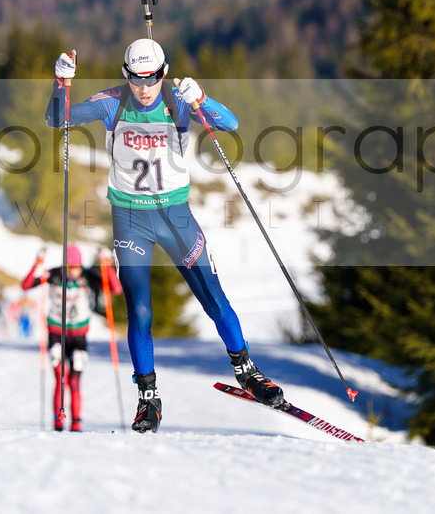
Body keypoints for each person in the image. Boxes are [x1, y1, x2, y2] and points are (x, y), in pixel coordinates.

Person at [45, 39, 285, 433]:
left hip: (175, 216)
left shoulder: (177, 100)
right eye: (137, 78)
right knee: (139, 310)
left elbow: (230, 124)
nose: (145, 86)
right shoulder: (112, 103)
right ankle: (148, 400)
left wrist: (202, 99)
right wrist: (61, 82)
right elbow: (58, 119)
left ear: (164, 72)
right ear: (126, 75)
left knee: (213, 297)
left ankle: (247, 371)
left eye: (153, 77)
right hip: (130, 218)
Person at [21, 244, 122, 432]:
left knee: (75, 381)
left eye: (76, 267)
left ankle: (76, 423)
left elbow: (115, 289)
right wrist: (37, 263)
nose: (73, 271)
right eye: (70, 267)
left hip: (78, 336)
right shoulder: (54, 274)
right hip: (56, 333)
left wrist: (106, 264)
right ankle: (58, 421)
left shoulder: (87, 276)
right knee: (60, 379)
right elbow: (25, 286)